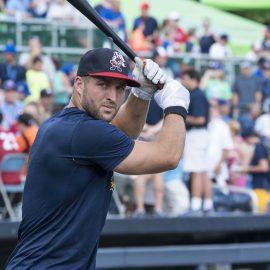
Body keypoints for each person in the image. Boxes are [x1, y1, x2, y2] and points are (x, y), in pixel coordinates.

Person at [5, 47, 190, 269]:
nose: (112, 96)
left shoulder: (65, 125)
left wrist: (142, 93)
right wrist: (176, 105)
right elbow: (168, 156)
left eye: (120, 88)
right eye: (103, 85)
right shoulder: (84, 132)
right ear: (79, 84)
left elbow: (121, 133)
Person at [181, 69, 211, 213]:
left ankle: (196, 204)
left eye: (185, 78)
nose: (183, 81)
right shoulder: (199, 94)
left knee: (196, 170)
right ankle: (207, 203)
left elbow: (200, 119)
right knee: (203, 170)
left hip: (197, 135)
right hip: (202, 135)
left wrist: (180, 116)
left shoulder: (197, 95)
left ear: (193, 79)